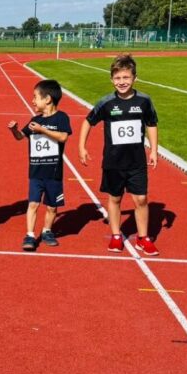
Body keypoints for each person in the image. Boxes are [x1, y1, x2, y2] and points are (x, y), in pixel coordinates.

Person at [78, 54, 159, 255]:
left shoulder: (144, 101)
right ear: (111, 79)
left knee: (141, 199)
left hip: (136, 161)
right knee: (115, 198)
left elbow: (151, 124)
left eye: (126, 77)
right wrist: (82, 147)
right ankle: (116, 235)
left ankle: (143, 237)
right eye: (117, 78)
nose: (122, 82)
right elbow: (88, 121)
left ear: (134, 78)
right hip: (113, 161)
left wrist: (154, 150)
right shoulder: (106, 102)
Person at [7, 79, 72, 251]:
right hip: (36, 172)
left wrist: (43, 130)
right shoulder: (34, 120)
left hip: (54, 172)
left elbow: (63, 137)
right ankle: (29, 235)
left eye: (35, 97)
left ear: (48, 99)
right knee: (33, 204)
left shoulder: (61, 118)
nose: (33, 101)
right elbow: (21, 136)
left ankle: (47, 231)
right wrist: (14, 130)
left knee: (52, 206)